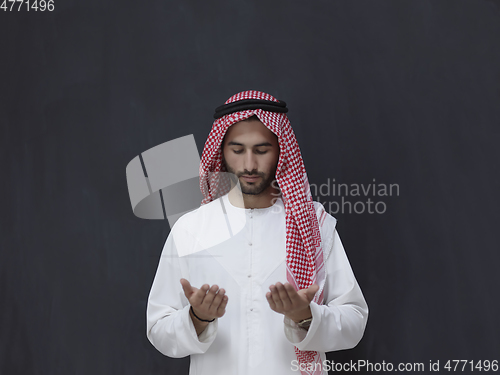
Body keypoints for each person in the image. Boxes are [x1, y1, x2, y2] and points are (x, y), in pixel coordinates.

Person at [146, 90, 368, 375]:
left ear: (280, 152)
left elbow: (354, 321)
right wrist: (197, 318)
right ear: (221, 153)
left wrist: (305, 317)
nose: (249, 164)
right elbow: (158, 328)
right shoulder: (191, 229)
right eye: (237, 151)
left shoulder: (314, 225)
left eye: (262, 150)